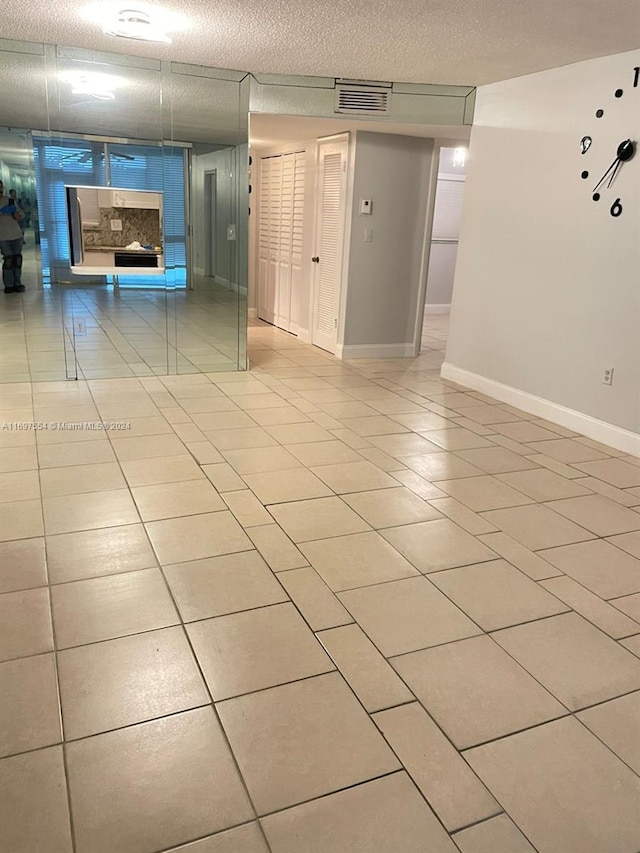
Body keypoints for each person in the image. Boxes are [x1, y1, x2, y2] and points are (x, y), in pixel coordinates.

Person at [0, 181, 25, 293]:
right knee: (8, 260)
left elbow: (19, 216)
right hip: (3, 236)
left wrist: (14, 212)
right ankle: (9, 285)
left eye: (1, 187)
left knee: (17, 259)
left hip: (16, 234)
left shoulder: (10, 201)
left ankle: (17, 283)